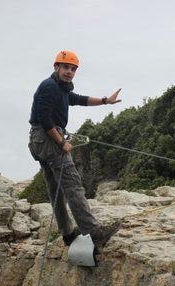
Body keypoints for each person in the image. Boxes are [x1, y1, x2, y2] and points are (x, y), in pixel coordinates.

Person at [28, 50, 122, 247]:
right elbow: (45, 119)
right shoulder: (50, 87)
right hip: (48, 139)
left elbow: (79, 99)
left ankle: (68, 234)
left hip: (39, 141)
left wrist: (105, 101)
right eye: (65, 67)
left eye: (73, 69)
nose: (69, 72)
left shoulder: (61, 89)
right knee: (73, 185)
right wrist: (62, 142)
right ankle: (94, 233)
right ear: (56, 67)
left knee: (55, 188)